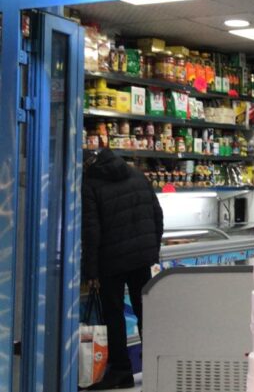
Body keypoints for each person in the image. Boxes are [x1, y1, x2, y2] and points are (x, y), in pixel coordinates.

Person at [82, 148, 164, 390]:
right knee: (146, 313)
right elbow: (157, 215)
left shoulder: (91, 184)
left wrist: (91, 271)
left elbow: (91, 231)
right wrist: (152, 250)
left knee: (114, 316)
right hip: (141, 258)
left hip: (111, 261)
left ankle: (120, 371)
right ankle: (156, 367)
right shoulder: (138, 175)